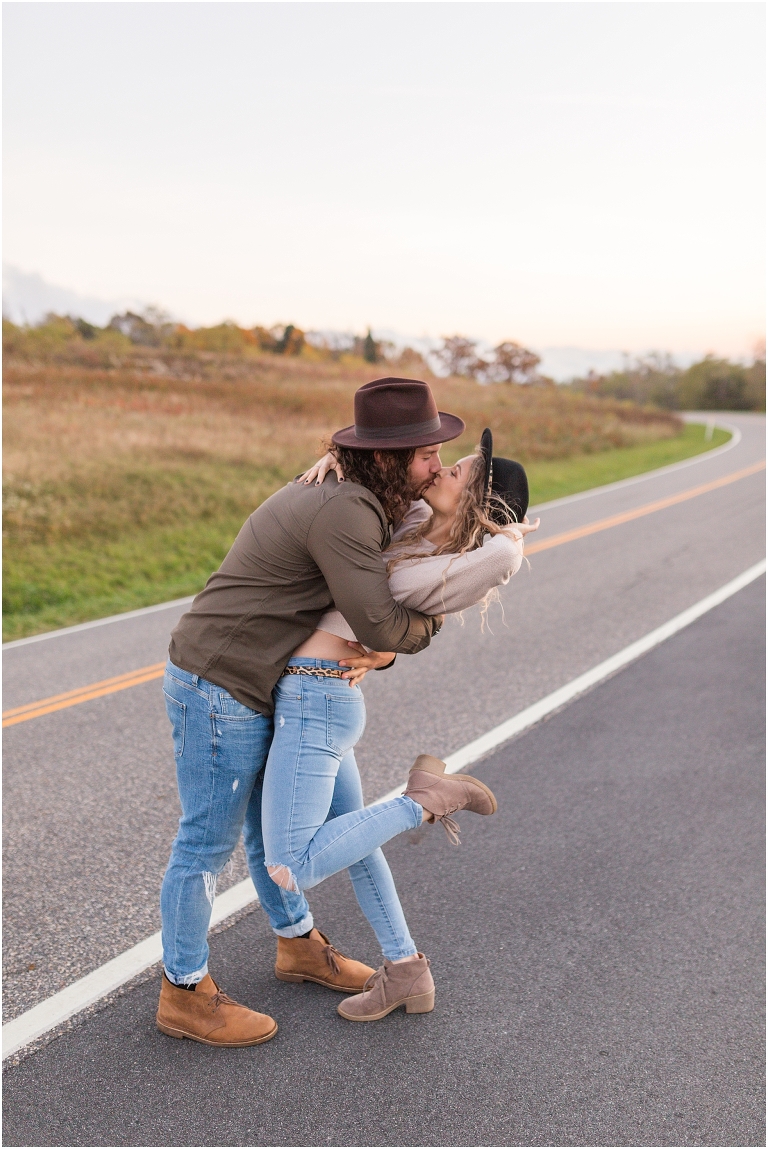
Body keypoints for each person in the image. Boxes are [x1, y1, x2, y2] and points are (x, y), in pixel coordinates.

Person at [156, 377, 465, 1048]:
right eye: (426, 455)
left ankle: (297, 946)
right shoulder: (346, 508)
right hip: (220, 682)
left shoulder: (352, 495)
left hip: (260, 680)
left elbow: (374, 621)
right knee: (205, 846)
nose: (438, 464)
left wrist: (381, 651)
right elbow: (380, 623)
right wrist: (420, 633)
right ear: (386, 458)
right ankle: (184, 991)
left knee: (272, 836)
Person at [260, 427, 538, 1023]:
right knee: (357, 849)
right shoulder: (414, 522)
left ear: (477, 505)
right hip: (322, 694)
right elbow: (375, 486)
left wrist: (510, 537)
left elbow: (499, 561)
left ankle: (426, 801)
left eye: (458, 473)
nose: (440, 472)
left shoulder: (452, 565)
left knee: (291, 864)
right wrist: (339, 456)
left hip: (318, 695)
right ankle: (406, 971)